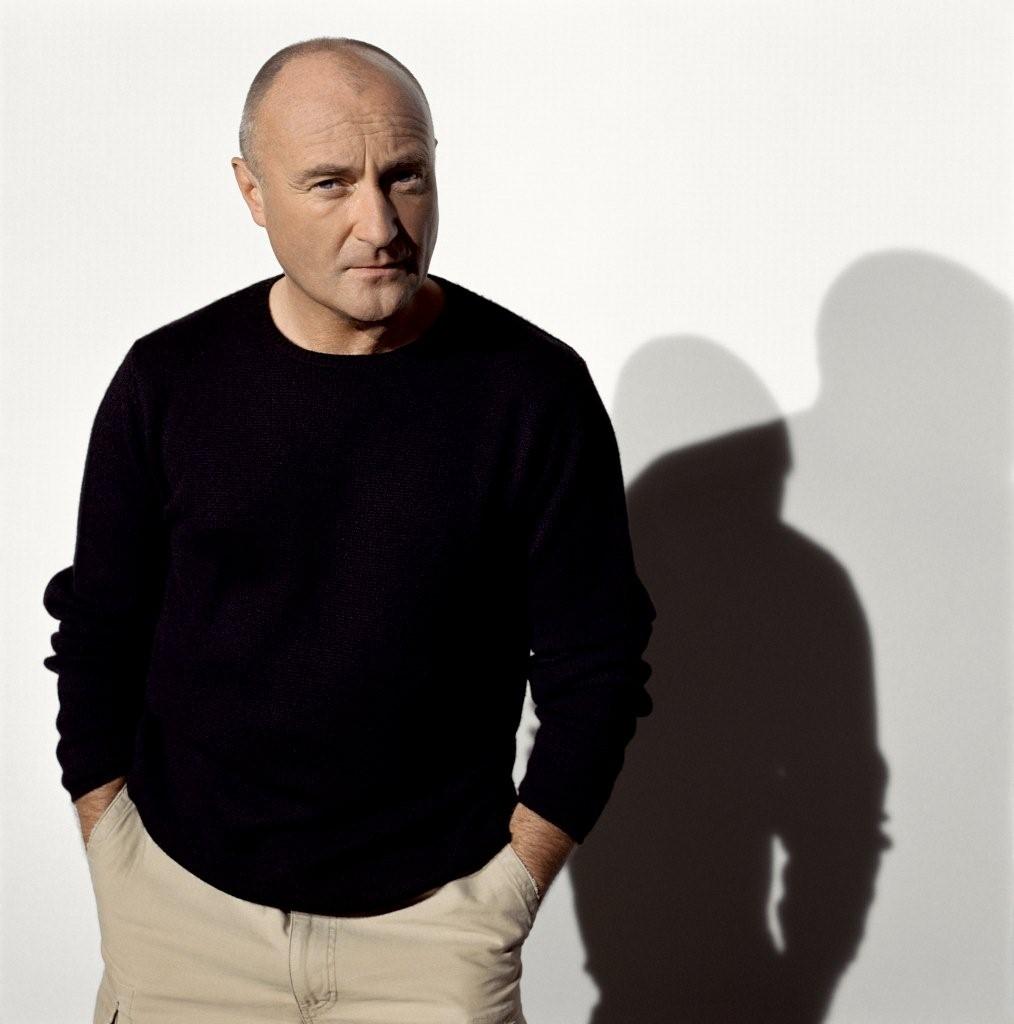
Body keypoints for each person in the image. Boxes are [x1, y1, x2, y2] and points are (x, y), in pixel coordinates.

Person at [42, 35, 656, 1024]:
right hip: (182, 922)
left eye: (404, 176)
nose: (380, 223)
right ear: (252, 191)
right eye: (329, 183)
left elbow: (598, 667)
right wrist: (114, 846)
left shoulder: (531, 391)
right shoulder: (169, 381)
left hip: (432, 939)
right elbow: (98, 632)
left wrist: (506, 891)